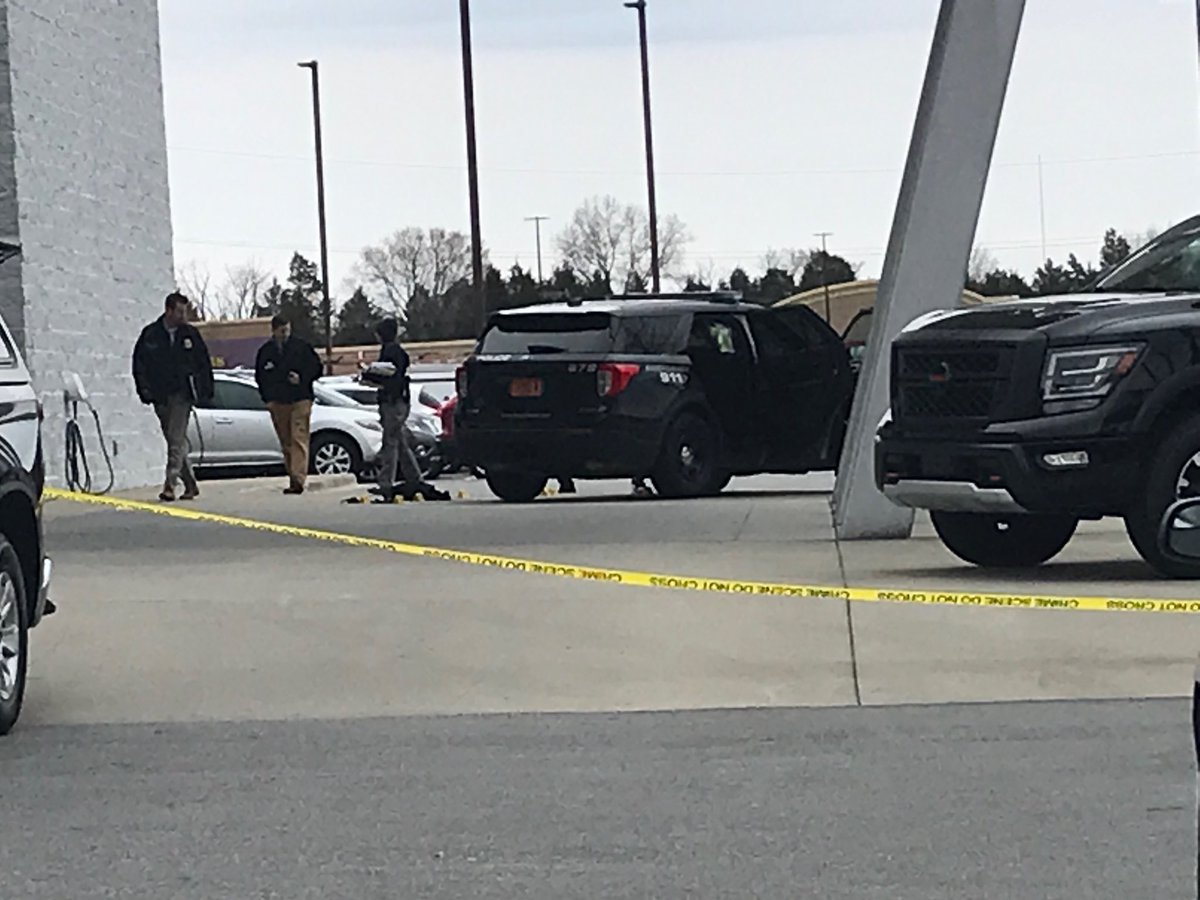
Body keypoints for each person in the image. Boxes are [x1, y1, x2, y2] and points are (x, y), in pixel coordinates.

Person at [132, 291, 214, 502]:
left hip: (182, 394)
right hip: (160, 396)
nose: (183, 315)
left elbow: (203, 363)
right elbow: (139, 365)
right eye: (179, 311)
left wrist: (205, 390)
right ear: (168, 310)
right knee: (173, 440)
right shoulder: (151, 335)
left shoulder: (190, 335)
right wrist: (145, 390)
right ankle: (191, 485)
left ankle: (170, 485)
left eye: (184, 311)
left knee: (176, 439)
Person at [254, 315, 323, 495]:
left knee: (298, 437)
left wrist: (302, 378)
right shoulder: (266, 352)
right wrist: (267, 399)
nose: (285, 334)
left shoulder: (301, 347)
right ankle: (293, 476)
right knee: (286, 441)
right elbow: (260, 378)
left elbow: (317, 368)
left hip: (301, 398)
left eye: (288, 330)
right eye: (282, 330)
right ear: (274, 330)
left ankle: (299, 478)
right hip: (278, 401)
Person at [368, 318, 422, 502]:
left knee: (389, 441)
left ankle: (386, 483)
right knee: (399, 441)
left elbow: (389, 377)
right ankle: (415, 478)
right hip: (399, 401)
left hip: (392, 402)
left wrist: (369, 375)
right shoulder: (398, 352)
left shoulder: (390, 352)